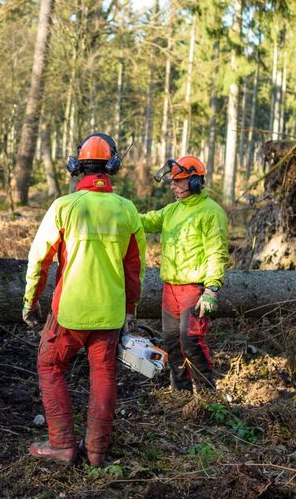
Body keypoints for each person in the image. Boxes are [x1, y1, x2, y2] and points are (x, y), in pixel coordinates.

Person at [22, 133, 145, 467]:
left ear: (77, 166)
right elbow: (134, 268)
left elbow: (39, 260)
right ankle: (96, 451)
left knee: (50, 365)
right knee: (103, 374)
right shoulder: (127, 210)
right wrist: (130, 309)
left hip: (70, 311)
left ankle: (62, 444)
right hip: (110, 312)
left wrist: (31, 302)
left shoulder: (64, 207)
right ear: (112, 166)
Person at [140, 155, 229, 392]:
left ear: (195, 182)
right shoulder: (172, 210)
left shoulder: (211, 212)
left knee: (190, 339)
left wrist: (212, 289)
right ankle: (181, 393)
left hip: (194, 288)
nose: (173, 186)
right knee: (172, 342)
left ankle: (208, 393)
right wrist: (121, 211)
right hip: (171, 287)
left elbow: (217, 252)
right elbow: (146, 221)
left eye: (178, 181)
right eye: (172, 181)